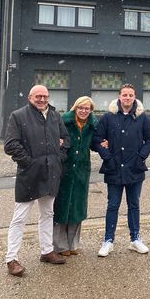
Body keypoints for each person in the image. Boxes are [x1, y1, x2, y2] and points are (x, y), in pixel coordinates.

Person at [3, 84, 70, 276]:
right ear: (30, 97)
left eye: (45, 96)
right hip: (30, 175)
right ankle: (11, 259)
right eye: (38, 96)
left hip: (51, 173)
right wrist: (29, 163)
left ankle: (47, 251)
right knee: (20, 218)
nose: (42, 99)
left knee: (48, 214)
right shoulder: (18, 116)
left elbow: (66, 139)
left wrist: (59, 157)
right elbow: (10, 145)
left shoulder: (55, 116)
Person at [93, 83, 150, 257]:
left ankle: (135, 239)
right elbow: (97, 139)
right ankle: (108, 240)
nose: (127, 98)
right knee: (113, 205)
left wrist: (141, 156)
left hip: (135, 168)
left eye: (130, 95)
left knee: (134, 205)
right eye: (124, 95)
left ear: (134, 97)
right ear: (119, 97)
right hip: (114, 168)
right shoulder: (108, 117)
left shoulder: (142, 117)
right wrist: (107, 156)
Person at [53, 96, 98, 256]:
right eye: (81, 108)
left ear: (91, 110)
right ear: (75, 108)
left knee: (77, 207)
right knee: (62, 206)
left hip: (81, 171)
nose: (83, 111)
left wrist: (104, 143)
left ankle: (73, 244)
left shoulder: (93, 125)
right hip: (64, 169)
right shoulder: (64, 122)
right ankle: (60, 246)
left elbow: (95, 144)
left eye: (87, 108)